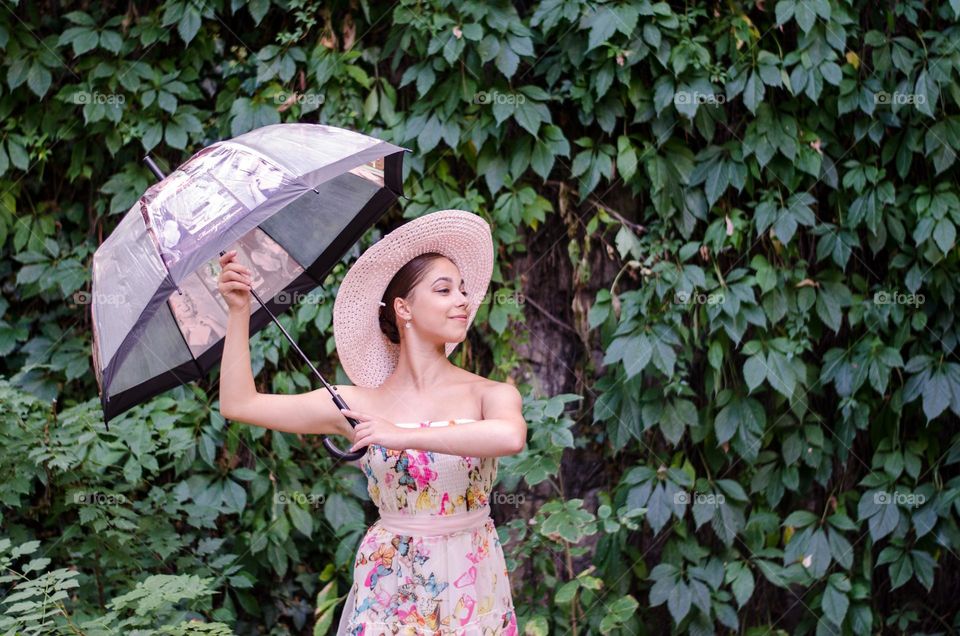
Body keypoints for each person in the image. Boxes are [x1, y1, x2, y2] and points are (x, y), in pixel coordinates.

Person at [217, 209, 524, 635]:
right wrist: (238, 312)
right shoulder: (356, 405)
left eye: (463, 290)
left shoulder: (490, 394)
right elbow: (239, 403)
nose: (462, 300)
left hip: (471, 576)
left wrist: (399, 434)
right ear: (403, 308)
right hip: (391, 579)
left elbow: (509, 436)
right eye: (444, 289)